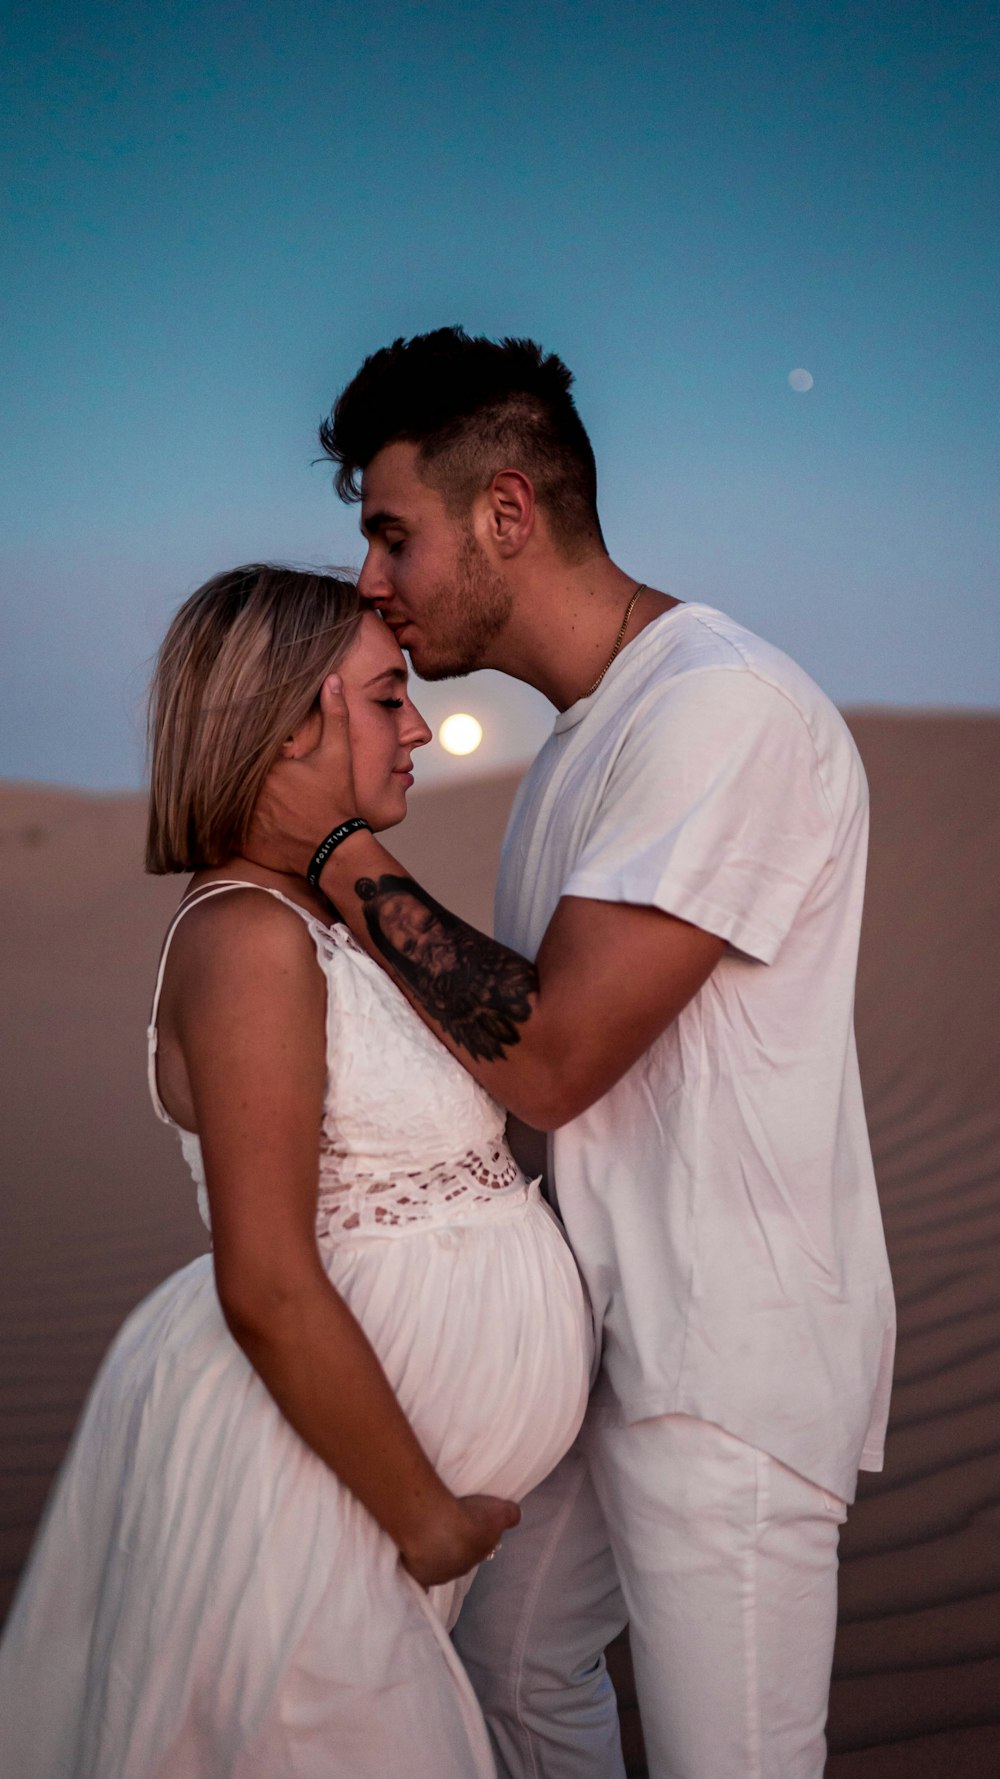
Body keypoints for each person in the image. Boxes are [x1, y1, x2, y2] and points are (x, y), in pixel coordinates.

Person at [247, 330, 897, 1779]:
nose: (372, 580)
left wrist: (332, 847)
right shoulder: (588, 740)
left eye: (391, 533)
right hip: (601, 1350)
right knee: (520, 1670)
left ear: (506, 513)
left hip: (722, 1357)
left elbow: (547, 1060)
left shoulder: (721, 708)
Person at [0, 564, 593, 1779]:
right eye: (387, 698)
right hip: (313, 1492)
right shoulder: (246, 939)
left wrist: (340, 849)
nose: (421, 723)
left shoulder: (326, 920)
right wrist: (425, 1519)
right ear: (291, 719)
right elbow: (265, 1280)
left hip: (357, 1501)